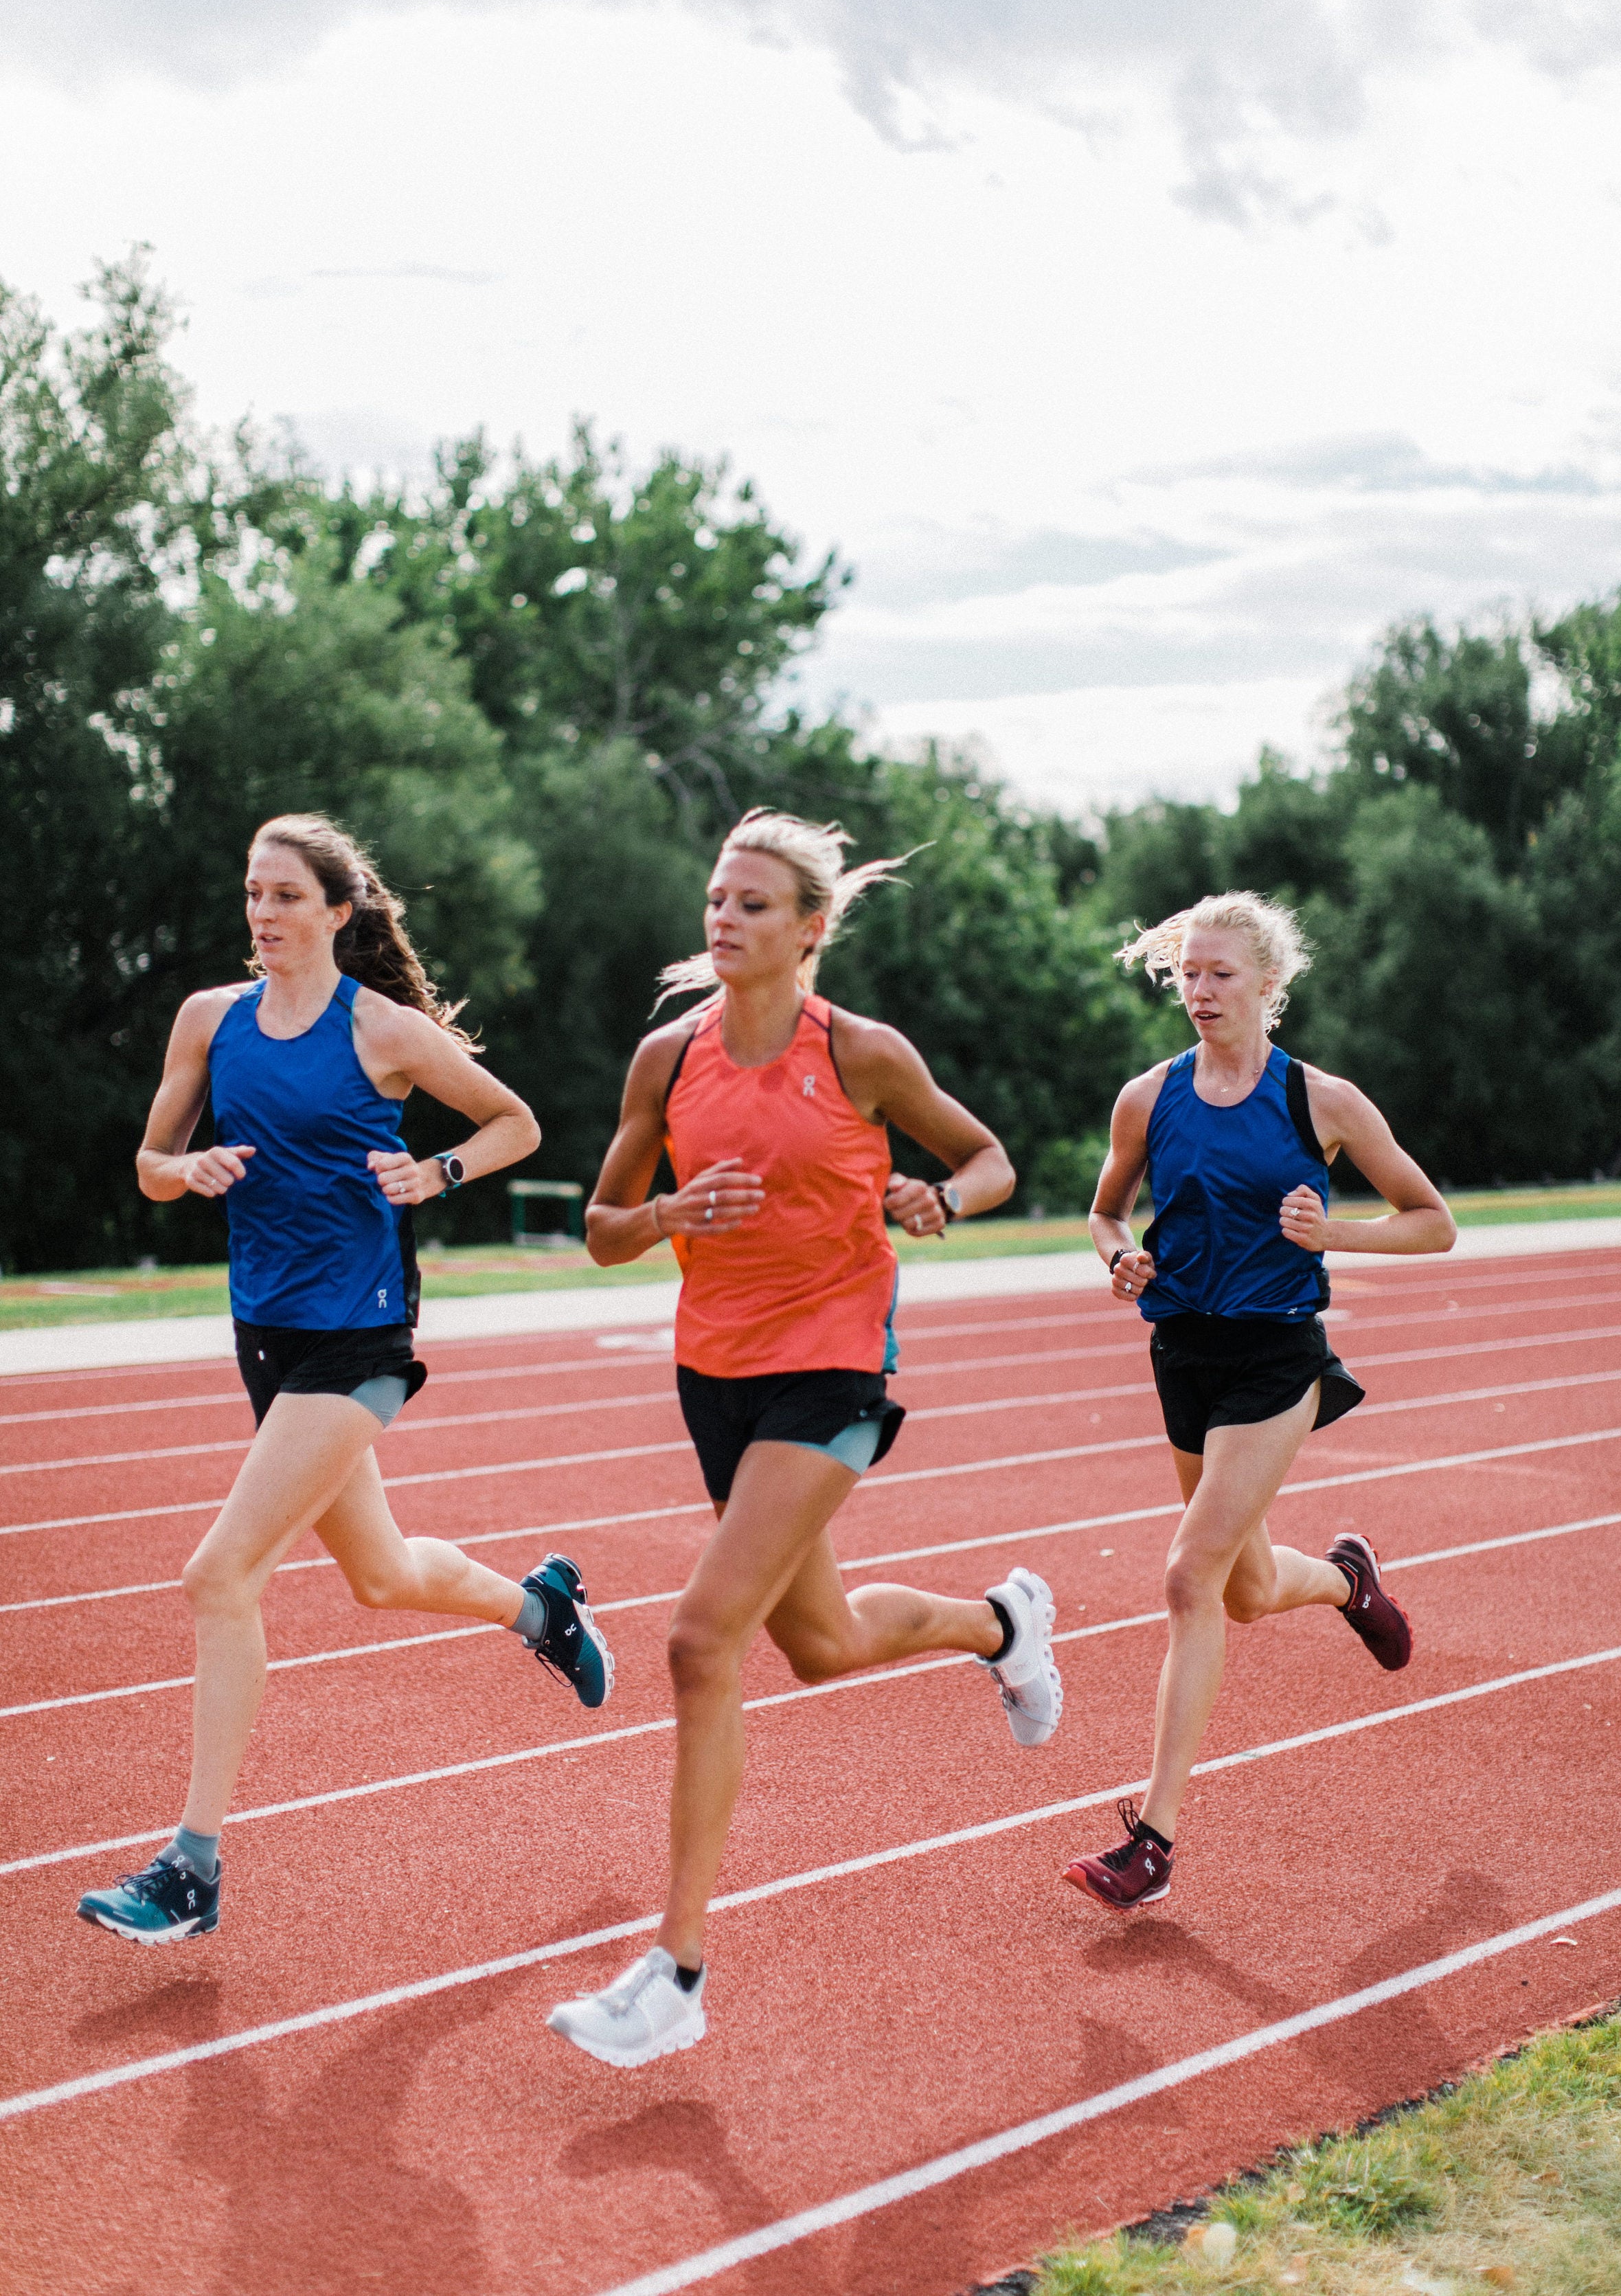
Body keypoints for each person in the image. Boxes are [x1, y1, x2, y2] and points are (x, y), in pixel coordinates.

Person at [545, 809, 1063, 2067]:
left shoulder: (862, 1054)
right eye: (718, 899)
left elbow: (990, 1157)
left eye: (755, 904)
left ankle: (675, 1973)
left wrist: (942, 1196)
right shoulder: (667, 1060)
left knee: (697, 1640)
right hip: (715, 1372)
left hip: (832, 1363)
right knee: (821, 1647)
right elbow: (602, 1229)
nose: (725, 919)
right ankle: (1002, 1625)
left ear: (811, 927)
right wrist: (670, 1211)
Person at [77, 815, 611, 1945]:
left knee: (218, 1576)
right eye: (253, 893)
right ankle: (543, 1609)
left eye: (285, 895)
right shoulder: (208, 1019)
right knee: (381, 1573)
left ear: (337, 910)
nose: (263, 914)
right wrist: (188, 1168)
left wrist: (437, 1171)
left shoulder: (383, 1029)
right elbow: (150, 1166)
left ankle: (191, 1868)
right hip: (265, 1333)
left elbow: (516, 1123)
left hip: (361, 1335)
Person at [1062, 890, 1455, 1913]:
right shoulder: (1147, 1097)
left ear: (1269, 984)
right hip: (1183, 1352)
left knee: (1189, 1576)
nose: (1198, 991)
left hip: (1277, 1358)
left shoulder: (1322, 1101)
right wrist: (1119, 1258)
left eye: (1220, 974)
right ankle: (1348, 1582)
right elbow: (1105, 1212)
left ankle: (1152, 1842)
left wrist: (1335, 1234)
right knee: (1242, 1588)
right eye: (1187, 973)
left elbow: (1433, 1222)